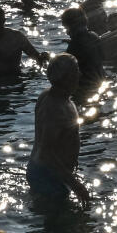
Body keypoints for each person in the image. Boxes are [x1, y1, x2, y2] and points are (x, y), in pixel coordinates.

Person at [29, 53, 93, 211]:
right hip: (48, 176)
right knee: (60, 226)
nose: (80, 74)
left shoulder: (55, 97)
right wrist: (76, 185)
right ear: (66, 77)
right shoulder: (55, 108)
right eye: (76, 71)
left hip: (49, 173)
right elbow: (47, 153)